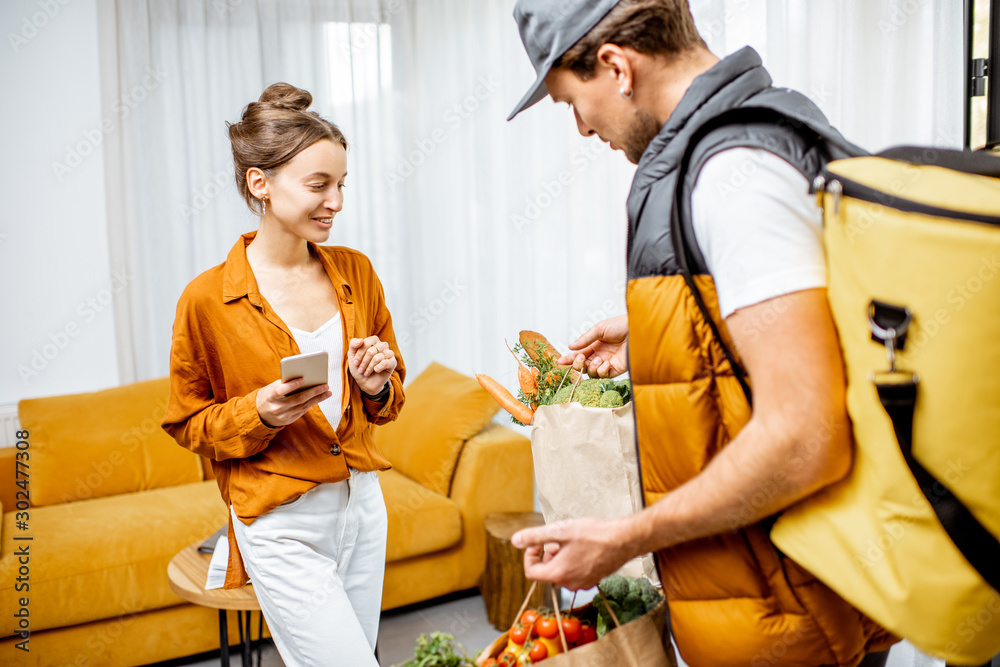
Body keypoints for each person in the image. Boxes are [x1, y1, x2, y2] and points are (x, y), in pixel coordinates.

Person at [506, 1, 899, 665]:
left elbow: (806, 436)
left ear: (615, 66)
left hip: (788, 621)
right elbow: (817, 319)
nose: (580, 126)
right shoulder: (761, 129)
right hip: (777, 599)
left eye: (572, 101)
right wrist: (660, 334)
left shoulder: (730, 173)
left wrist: (627, 536)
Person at [162, 82, 404, 667]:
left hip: (362, 509)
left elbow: (392, 397)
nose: (336, 201)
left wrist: (377, 384)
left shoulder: (356, 272)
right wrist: (259, 414)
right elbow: (187, 423)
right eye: (319, 185)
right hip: (280, 523)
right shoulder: (206, 300)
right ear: (260, 183)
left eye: (342, 184)